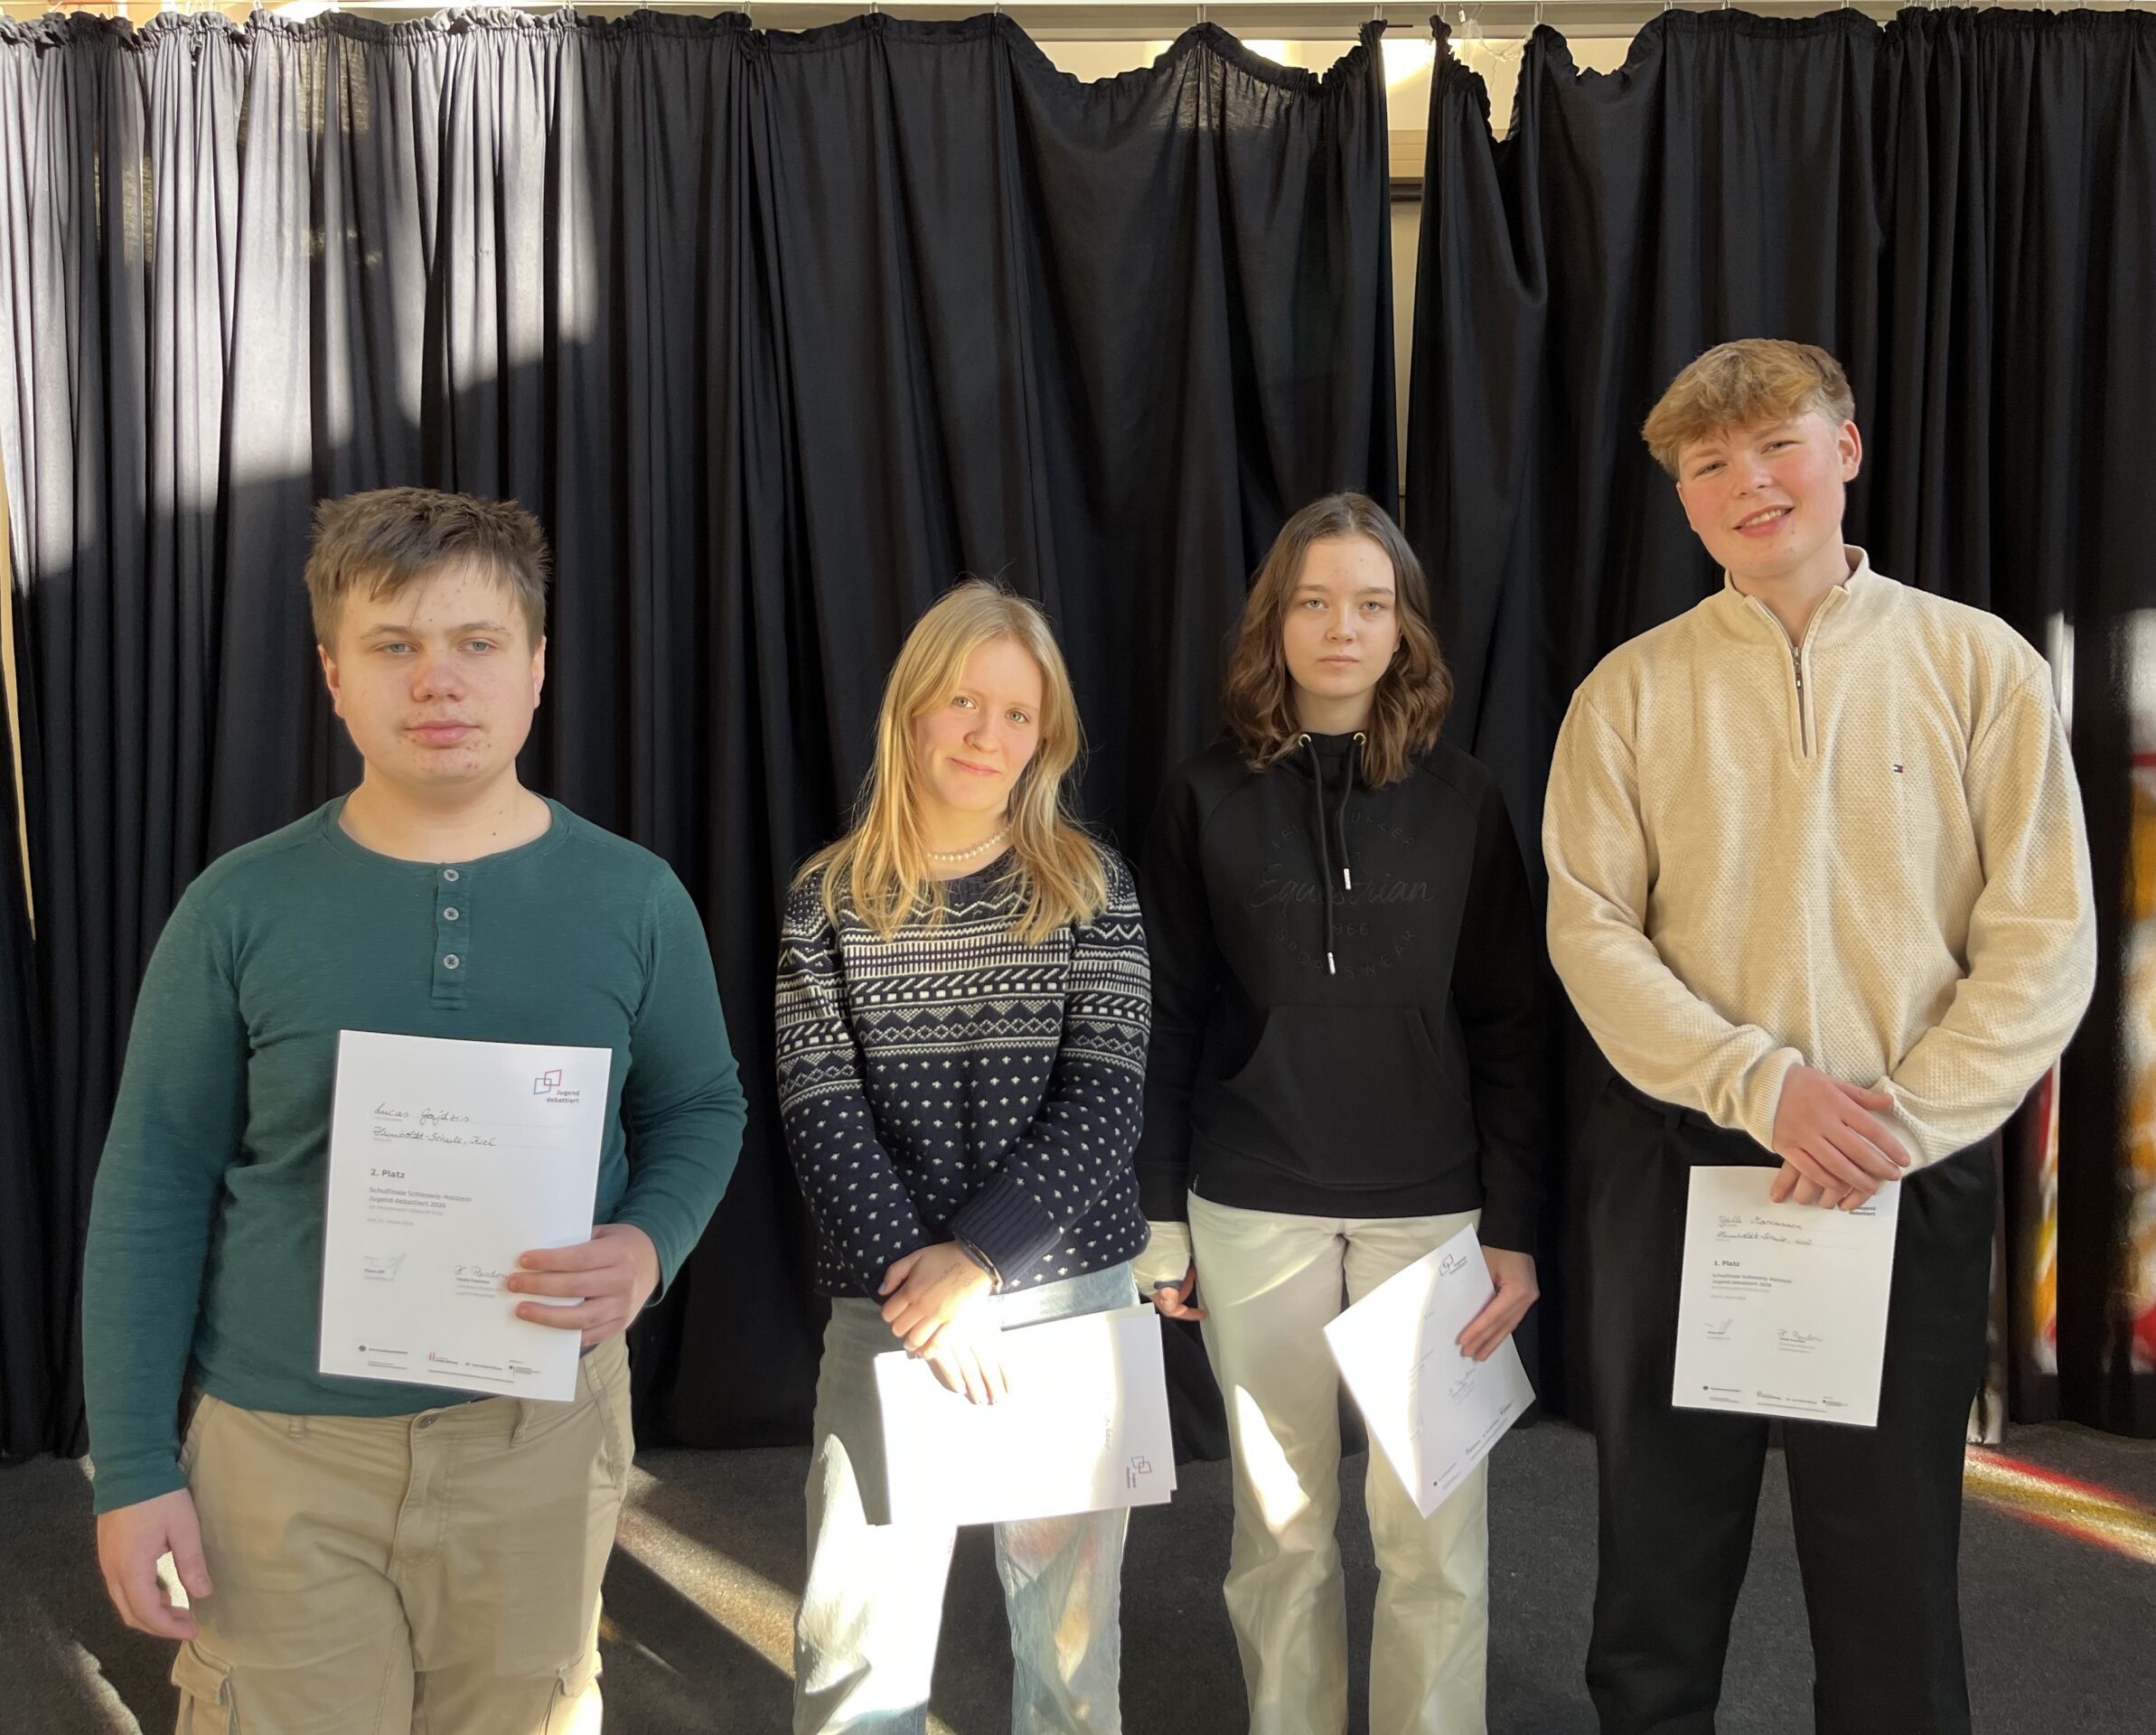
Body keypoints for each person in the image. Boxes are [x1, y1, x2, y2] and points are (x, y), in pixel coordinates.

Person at [84, 487, 748, 1731]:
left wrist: (650, 1244)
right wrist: (130, 1466)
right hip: (281, 1455)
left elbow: (701, 1104)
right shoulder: (238, 907)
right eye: (394, 645)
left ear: (536, 669)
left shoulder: (635, 898)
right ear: (335, 678)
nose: (437, 679)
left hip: (537, 1443)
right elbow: (153, 1183)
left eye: (476, 642)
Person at [1542, 338, 2096, 1734]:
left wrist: (1889, 1123)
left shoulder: (1980, 665)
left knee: (1892, 1570)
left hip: (1900, 1168)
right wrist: (1764, 1087)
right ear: (1683, 500)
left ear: (1845, 450)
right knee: (1658, 1559)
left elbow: (2044, 938)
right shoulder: (1627, 692)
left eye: (1778, 445)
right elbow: (1591, 931)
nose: (1750, 483)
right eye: (1709, 464)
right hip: (1683, 1162)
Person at [1131, 492, 1548, 1735]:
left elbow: (1510, 1026)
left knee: (1434, 1537)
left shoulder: (1465, 801)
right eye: (1313, 602)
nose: (1341, 628)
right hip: (1254, 1203)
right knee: (1282, 1530)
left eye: (1370, 604)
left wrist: (1513, 1226)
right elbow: (1168, 1015)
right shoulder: (1204, 797)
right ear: (1276, 621)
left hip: (1431, 1214)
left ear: (1404, 628)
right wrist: (1159, 1218)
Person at [773, 579, 1151, 1735]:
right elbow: (819, 1107)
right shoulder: (827, 898)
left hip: (1065, 1298)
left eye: (1018, 714)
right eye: (964, 703)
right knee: (857, 1654)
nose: (989, 734)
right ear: (912, 712)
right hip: (887, 1309)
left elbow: (1107, 1099)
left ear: (1046, 738)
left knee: (1071, 1655)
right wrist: (923, 1286)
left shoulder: (1089, 886)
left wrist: (979, 1261)